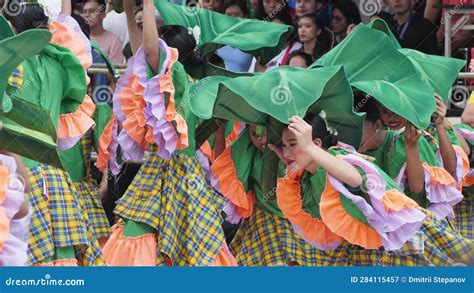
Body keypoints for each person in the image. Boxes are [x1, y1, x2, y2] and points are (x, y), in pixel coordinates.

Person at [102, 0, 236, 266]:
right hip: (174, 171)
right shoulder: (192, 85)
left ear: (172, 54)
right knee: (192, 247)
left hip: (171, 170)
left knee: (144, 237)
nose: (152, 50)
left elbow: (149, 48)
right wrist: (131, 9)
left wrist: (148, 3)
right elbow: (142, 49)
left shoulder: (173, 74)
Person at [274, 114, 473, 265]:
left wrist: (307, 148)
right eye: (284, 145)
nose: (286, 151)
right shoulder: (304, 177)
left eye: (292, 144)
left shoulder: (338, 156)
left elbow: (354, 178)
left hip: (403, 236)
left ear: (316, 144)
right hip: (374, 247)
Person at [3, 0, 104, 266]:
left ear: (14, 29)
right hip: (56, 175)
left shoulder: (11, 69)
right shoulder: (61, 64)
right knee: (64, 253)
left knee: (23, 256)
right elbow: (72, 99)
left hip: (20, 173)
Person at [211, 125, 326, 265]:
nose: (261, 140)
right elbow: (225, 174)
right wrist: (220, 134)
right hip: (265, 219)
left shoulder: (294, 153)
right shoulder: (250, 153)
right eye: (254, 134)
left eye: (266, 134)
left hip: (299, 222)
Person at [216, 0, 254, 72]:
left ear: (245, 16)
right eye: (228, 15)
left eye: (237, 14)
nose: (232, 19)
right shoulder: (215, 37)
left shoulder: (253, 40)